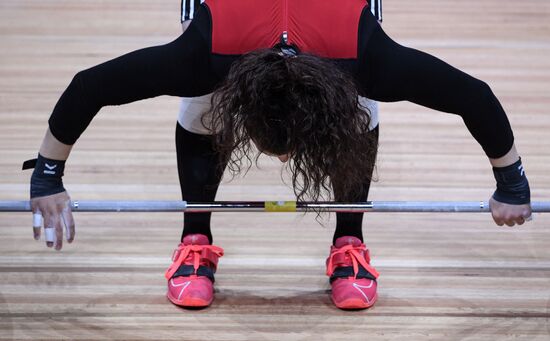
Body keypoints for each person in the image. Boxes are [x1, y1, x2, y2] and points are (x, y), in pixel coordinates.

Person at [26, 0, 532, 311]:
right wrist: (46, 177)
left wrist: (515, 184)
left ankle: (348, 243)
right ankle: (194, 238)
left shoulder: (367, 58)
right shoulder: (203, 57)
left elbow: (474, 95)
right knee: (203, 100)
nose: (287, 162)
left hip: (337, 34)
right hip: (231, 28)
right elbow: (90, 86)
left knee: (360, 101)